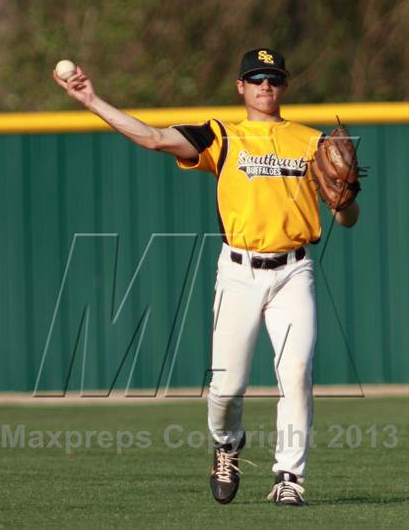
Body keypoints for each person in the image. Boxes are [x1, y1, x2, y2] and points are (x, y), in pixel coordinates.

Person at [53, 47, 359, 506]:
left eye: (273, 78)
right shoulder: (222, 135)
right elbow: (155, 137)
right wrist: (93, 101)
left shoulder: (312, 142)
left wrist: (345, 199)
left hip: (294, 272)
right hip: (237, 273)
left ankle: (289, 477)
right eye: (256, 79)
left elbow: (347, 220)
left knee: (296, 373)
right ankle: (228, 444)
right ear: (241, 87)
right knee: (226, 387)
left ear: (284, 86)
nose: (265, 87)